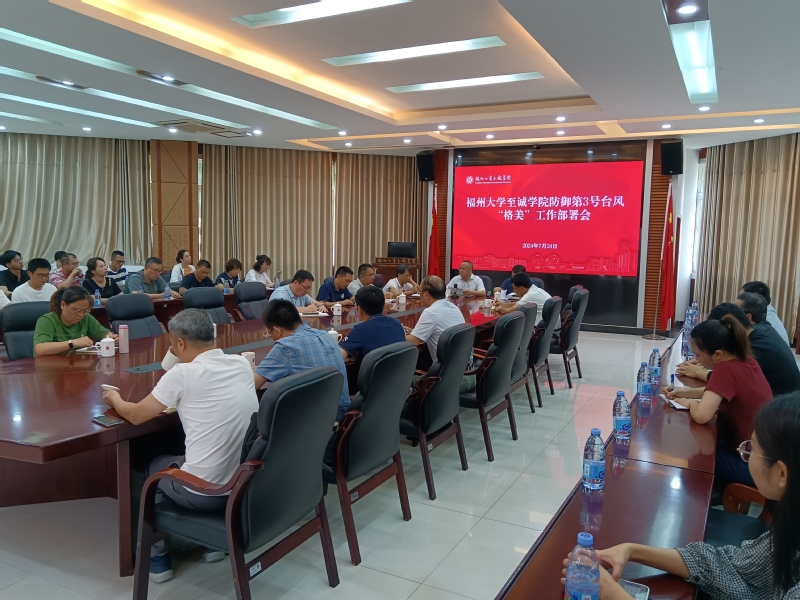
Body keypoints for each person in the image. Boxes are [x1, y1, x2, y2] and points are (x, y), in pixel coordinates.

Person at [571, 393, 800, 600]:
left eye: (751, 449)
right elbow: (724, 565)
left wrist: (614, 594)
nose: (744, 452)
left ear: (781, 473)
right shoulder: (789, 531)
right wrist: (630, 550)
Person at [101, 309, 257, 583]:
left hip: (205, 492)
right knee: (184, 453)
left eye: (174, 345)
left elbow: (135, 415)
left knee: (151, 467)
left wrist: (114, 399)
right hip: (244, 484)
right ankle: (211, 545)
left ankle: (158, 559)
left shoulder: (182, 374)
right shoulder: (241, 363)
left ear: (180, 343)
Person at [665, 315, 772, 487]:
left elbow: (701, 416)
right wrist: (684, 393)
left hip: (754, 466)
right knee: (711, 443)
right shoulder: (745, 360)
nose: (696, 361)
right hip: (766, 457)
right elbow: (717, 391)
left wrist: (692, 403)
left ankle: (715, 497)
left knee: (699, 463)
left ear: (717, 354)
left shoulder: (725, 369)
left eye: (698, 355)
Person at [679, 300, 800, 397]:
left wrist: (699, 372)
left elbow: (729, 380)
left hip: (783, 409)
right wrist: (703, 358)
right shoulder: (760, 330)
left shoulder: (755, 347)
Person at [254, 299, 349, 419]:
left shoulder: (285, 346)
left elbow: (253, 384)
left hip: (313, 421)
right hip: (343, 416)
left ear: (277, 330)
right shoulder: (326, 336)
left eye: (269, 334)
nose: (271, 337)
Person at [33, 287, 117, 356]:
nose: (81, 315)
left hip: (76, 363)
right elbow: (40, 349)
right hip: (51, 366)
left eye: (85, 311)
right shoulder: (47, 320)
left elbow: (104, 334)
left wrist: (112, 338)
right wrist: (72, 343)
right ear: (63, 305)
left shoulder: (86, 318)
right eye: (78, 310)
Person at [339, 285, 405, 361]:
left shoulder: (360, 330)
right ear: (383, 306)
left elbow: (338, 355)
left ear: (359, 309)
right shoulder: (396, 323)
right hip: (400, 368)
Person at [741, 280, 791, 346]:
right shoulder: (766, 309)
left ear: (754, 298)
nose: (739, 299)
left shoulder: (762, 317)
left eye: (741, 297)